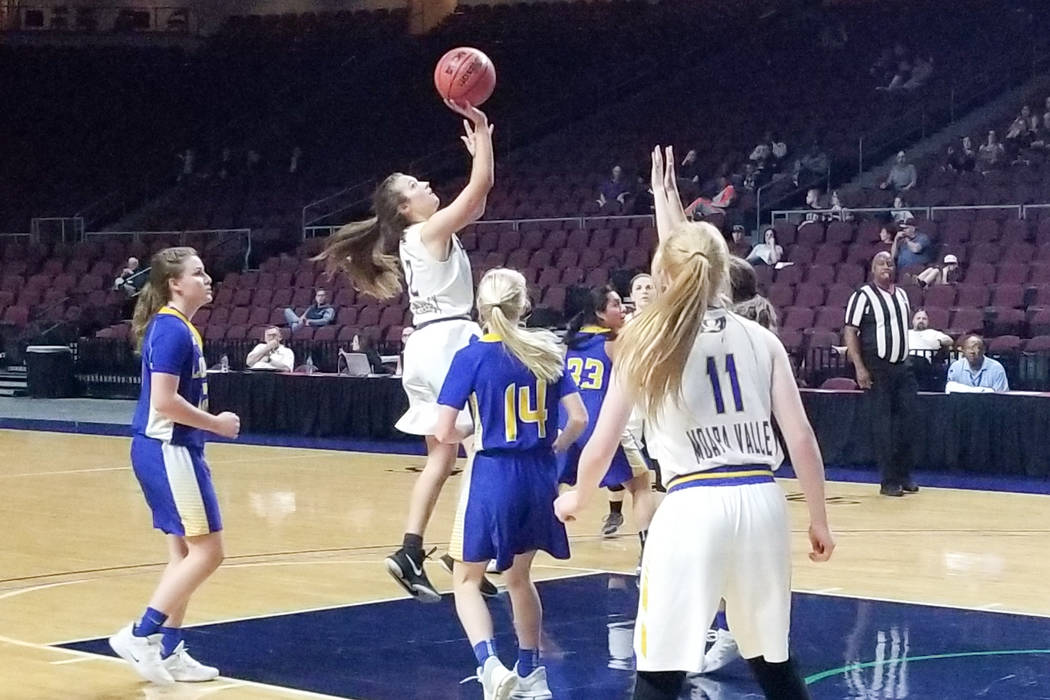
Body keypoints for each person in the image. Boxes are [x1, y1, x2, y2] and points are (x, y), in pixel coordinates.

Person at [555, 146, 834, 700]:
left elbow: (602, 437)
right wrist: (820, 519)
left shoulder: (647, 340)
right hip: (762, 502)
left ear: (663, 273)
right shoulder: (763, 338)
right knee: (772, 660)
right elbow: (801, 439)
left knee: (660, 670)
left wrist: (578, 496)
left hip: (692, 505)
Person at [314, 99, 494, 602]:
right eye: (415, 187)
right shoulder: (424, 233)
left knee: (445, 457)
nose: (426, 185)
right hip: (448, 346)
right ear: (403, 208)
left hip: (436, 343)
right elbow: (478, 191)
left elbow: (477, 203)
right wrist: (482, 133)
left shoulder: (428, 233)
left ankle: (415, 551)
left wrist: (483, 145)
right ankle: (461, 553)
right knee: (483, 450)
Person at [433, 268, 587, 700]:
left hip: (494, 471)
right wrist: (552, 447)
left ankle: (489, 665)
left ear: (480, 307)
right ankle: (531, 673)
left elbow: (444, 430)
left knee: (466, 579)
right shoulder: (547, 351)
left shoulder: (472, 355)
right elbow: (579, 419)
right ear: (526, 304)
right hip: (539, 475)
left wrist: (470, 431)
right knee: (519, 578)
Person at [108, 247, 241, 685]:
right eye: (198, 273)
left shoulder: (179, 328)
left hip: (169, 449)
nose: (208, 280)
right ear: (175, 284)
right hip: (167, 448)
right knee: (209, 552)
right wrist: (216, 424)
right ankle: (140, 634)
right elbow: (165, 403)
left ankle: (169, 648)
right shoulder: (172, 331)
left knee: (183, 554)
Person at [559, 285, 657, 561]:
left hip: (567, 425)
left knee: (549, 487)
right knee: (640, 484)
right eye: (615, 304)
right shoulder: (614, 343)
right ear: (600, 313)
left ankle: (506, 549)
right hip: (600, 425)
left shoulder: (570, 341)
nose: (623, 308)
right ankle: (649, 554)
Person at [844, 252, 919, 497]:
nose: (887, 266)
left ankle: (904, 474)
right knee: (883, 426)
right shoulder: (862, 295)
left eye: (890, 262)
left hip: (902, 366)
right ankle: (889, 480)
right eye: (881, 263)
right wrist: (859, 367)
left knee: (908, 422)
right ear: (872, 269)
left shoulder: (903, 295)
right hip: (878, 367)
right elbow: (851, 331)